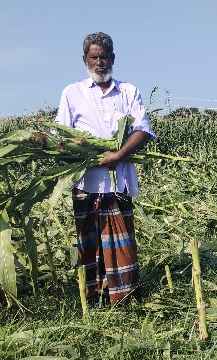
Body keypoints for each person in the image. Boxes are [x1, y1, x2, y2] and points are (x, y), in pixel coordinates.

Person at [54, 32, 156, 306]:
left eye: (104, 57)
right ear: (85, 60)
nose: (99, 63)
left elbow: (143, 130)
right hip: (86, 182)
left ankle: (123, 297)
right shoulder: (72, 93)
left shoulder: (128, 91)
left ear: (113, 59)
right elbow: (60, 135)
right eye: (93, 57)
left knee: (119, 243)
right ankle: (95, 296)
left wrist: (119, 154)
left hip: (117, 182)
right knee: (90, 243)